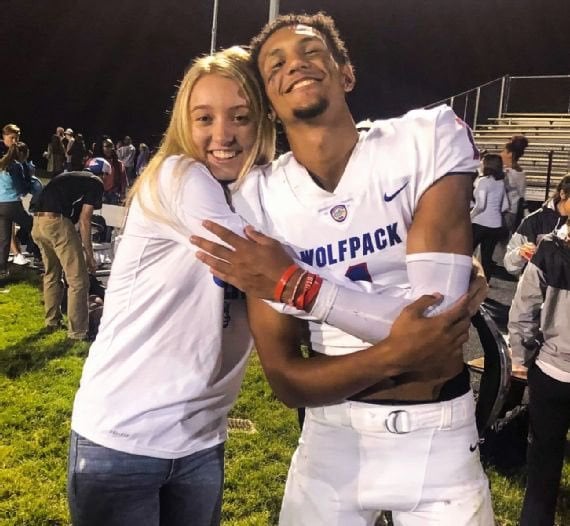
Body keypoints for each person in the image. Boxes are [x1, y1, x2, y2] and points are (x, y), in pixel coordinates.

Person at [67, 45, 477, 526]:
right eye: (204, 119)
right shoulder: (182, 177)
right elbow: (292, 274)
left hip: (200, 437)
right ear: (183, 124)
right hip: (124, 435)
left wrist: (453, 266)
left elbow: (323, 261)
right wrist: (433, 317)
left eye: (239, 117)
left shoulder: (257, 195)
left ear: (263, 120)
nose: (222, 134)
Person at [191, 13, 493, 525]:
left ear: (346, 73)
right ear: (268, 102)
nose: (295, 65)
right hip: (332, 443)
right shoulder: (256, 197)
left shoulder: (424, 136)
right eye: (276, 65)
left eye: (311, 52)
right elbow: (288, 381)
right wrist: (399, 349)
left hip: (439, 442)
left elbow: (436, 329)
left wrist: (297, 287)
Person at [508, 217, 570, 526]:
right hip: (550, 368)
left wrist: (524, 357)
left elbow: (523, 311)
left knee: (544, 462)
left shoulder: (548, 251)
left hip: (551, 370)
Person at [31, 159, 106, 339]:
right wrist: (90, 256)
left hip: (38, 222)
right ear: (104, 174)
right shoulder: (96, 182)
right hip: (57, 222)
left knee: (52, 274)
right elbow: (85, 220)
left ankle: (52, 321)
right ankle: (78, 332)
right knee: (78, 280)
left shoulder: (72, 177)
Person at [504, 173, 570, 274]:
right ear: (563, 194)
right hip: (538, 282)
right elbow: (509, 264)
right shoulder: (534, 221)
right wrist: (520, 254)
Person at [471, 153, 510, 282]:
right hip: (495, 225)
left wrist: (469, 217)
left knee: (466, 254)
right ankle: (484, 285)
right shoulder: (500, 183)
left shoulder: (484, 182)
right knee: (486, 258)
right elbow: (505, 206)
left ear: (487, 165)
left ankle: (464, 282)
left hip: (480, 223)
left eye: (482, 162)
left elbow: (480, 205)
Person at [0, 124, 31, 280]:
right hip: (11, 203)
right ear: (4, 136)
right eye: (12, 138)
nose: (14, 141)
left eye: (17, 138)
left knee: (4, 239)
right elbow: (22, 189)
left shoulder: (3, 162)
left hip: (1, 203)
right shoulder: (15, 164)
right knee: (34, 226)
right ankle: (40, 254)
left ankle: (2, 271)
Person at [501, 135, 529, 233]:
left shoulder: (510, 172)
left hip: (507, 211)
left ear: (510, 154)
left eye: (504, 151)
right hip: (513, 210)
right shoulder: (520, 172)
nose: (501, 154)